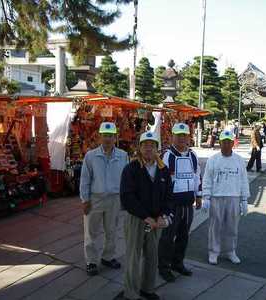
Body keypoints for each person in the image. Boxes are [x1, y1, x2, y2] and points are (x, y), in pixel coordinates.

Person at [120, 131, 173, 300]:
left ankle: (147, 289)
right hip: (136, 219)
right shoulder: (131, 168)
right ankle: (131, 293)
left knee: (152, 256)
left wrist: (163, 215)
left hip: (156, 221)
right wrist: (145, 216)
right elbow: (127, 197)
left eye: (152, 145)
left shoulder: (163, 170)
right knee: (133, 257)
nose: (149, 148)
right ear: (139, 148)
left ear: (157, 148)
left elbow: (168, 196)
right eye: (145, 145)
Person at [80, 122, 129, 276]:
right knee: (91, 232)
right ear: (99, 136)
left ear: (115, 137)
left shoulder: (123, 155)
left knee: (112, 231)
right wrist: (85, 200)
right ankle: (91, 262)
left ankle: (108, 257)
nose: (108, 139)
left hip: (114, 199)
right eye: (105, 135)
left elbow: (126, 179)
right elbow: (85, 179)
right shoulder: (91, 155)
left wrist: (126, 200)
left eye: (111, 136)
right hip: (95, 199)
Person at [158, 123, 202, 282]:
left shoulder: (193, 155)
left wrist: (199, 196)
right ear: (172, 137)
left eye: (185, 135)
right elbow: (162, 180)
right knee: (167, 237)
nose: (182, 138)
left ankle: (178, 263)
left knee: (184, 236)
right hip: (172, 205)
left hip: (188, 203)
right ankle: (163, 267)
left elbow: (197, 176)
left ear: (188, 136)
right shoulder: (167, 155)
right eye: (179, 135)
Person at [202, 130, 250, 265]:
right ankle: (213, 252)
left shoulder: (239, 160)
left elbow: (243, 180)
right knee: (215, 226)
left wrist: (244, 199)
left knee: (232, 227)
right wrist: (206, 196)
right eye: (224, 142)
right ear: (220, 143)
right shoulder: (213, 159)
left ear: (233, 143)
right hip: (216, 196)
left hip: (234, 197)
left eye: (229, 142)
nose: (227, 144)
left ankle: (230, 251)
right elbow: (207, 179)